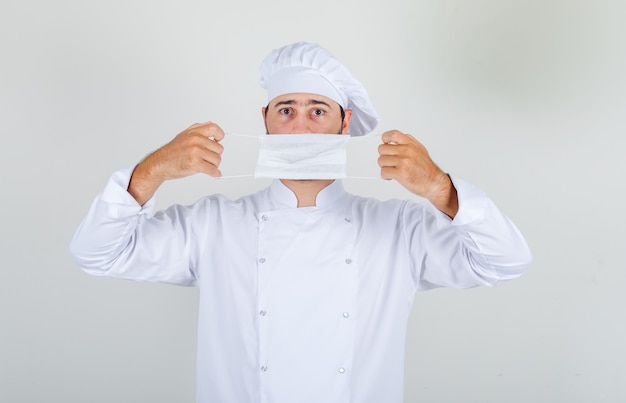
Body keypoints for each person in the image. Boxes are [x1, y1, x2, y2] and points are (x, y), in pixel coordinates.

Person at [70, 42, 532, 403]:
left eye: (318, 110)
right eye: (286, 110)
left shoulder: (399, 230)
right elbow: (97, 252)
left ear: (344, 124)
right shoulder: (214, 225)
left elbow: (505, 261)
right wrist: (152, 171)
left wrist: (440, 189)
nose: (301, 128)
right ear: (266, 121)